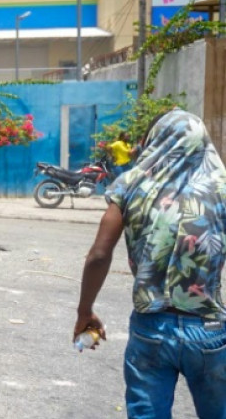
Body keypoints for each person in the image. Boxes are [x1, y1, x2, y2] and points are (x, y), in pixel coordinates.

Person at [73, 109, 226, 419]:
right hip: (209, 328)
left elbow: (99, 255)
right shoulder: (220, 188)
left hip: (151, 327)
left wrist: (84, 312)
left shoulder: (131, 184)